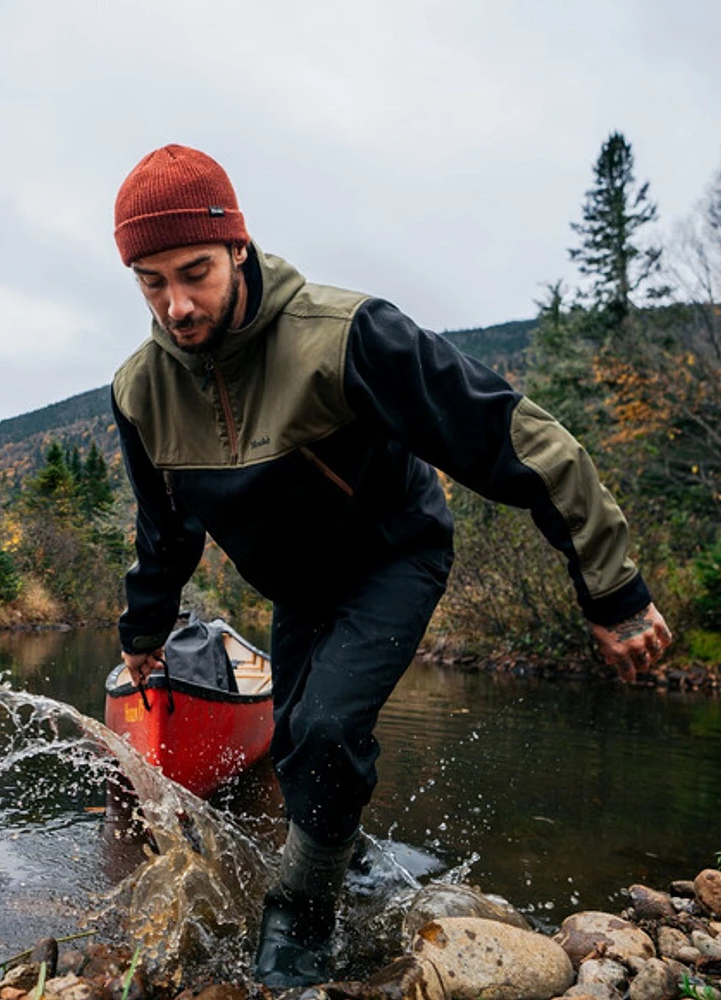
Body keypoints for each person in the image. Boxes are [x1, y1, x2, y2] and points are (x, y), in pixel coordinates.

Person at [109, 144, 672, 987]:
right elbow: (164, 530)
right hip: (297, 585)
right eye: (152, 283)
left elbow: (521, 441)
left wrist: (614, 590)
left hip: (393, 554)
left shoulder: (345, 336)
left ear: (239, 247)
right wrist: (144, 631)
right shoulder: (140, 392)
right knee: (300, 745)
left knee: (328, 730)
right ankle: (352, 848)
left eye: (195, 272)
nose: (178, 305)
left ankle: (298, 917)